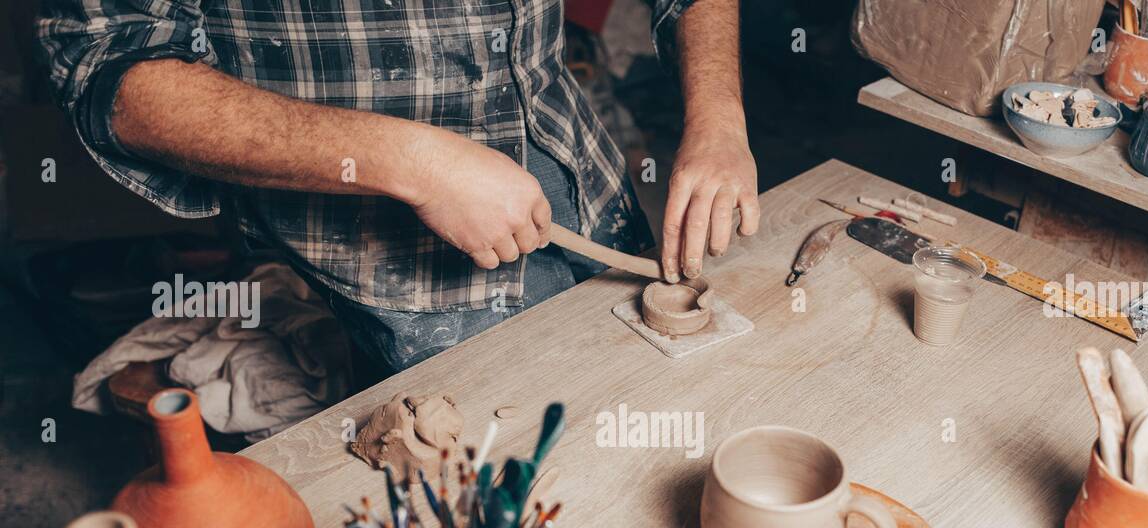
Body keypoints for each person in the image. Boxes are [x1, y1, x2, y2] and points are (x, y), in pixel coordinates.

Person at [36, 0, 761, 372]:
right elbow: (113, 71)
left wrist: (720, 114)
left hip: (584, 186)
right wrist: (411, 162)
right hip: (375, 261)